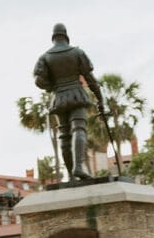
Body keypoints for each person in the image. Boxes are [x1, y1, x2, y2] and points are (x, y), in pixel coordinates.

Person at [33, 22, 104, 181]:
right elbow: (90, 79)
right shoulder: (77, 53)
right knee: (79, 129)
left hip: (58, 97)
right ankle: (78, 166)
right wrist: (100, 99)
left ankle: (72, 175)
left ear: (53, 38)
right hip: (76, 95)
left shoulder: (45, 57)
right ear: (66, 35)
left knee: (64, 135)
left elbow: (38, 80)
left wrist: (52, 87)